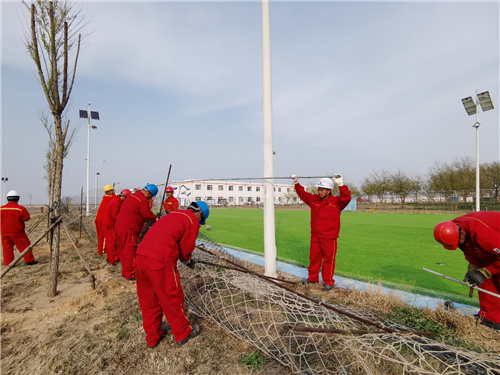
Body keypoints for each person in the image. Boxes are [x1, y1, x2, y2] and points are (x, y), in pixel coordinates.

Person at [135, 200, 210, 347]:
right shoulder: (191, 220)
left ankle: (152, 336)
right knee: (171, 298)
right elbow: (186, 248)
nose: (199, 221)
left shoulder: (174, 214)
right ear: (200, 214)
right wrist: (187, 260)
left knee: (148, 301)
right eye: (201, 219)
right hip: (160, 262)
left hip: (140, 259)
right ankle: (183, 333)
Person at [434, 211, 500, 330]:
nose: (459, 245)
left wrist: (485, 272)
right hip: (492, 247)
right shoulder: (453, 228)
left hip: (496, 242)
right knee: (482, 279)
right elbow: (470, 249)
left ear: (462, 234)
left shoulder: (482, 233)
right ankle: (491, 319)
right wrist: (473, 269)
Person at [292, 174, 351, 291]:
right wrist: (296, 183)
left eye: (322, 189)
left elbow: (346, 198)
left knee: (328, 260)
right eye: (318, 189)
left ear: (329, 191)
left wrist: (340, 185)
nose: (319, 191)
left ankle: (328, 282)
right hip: (315, 236)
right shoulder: (314, 200)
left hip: (329, 238)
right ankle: (313, 279)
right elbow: (303, 194)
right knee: (313, 258)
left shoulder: (337, 202)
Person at [114, 184, 158, 280]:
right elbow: (146, 215)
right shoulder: (141, 200)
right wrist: (156, 218)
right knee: (130, 251)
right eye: (151, 196)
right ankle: (130, 273)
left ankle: (125, 271)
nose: (150, 198)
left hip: (119, 227)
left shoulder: (132, 196)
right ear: (149, 193)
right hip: (129, 229)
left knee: (122, 250)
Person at [1, 190, 38, 267]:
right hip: (17, 232)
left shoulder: (1, 209)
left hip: (4, 232)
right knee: (25, 246)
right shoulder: (20, 208)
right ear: (18, 198)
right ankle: (29, 260)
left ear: (7, 199)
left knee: (7, 248)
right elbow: (26, 218)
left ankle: (8, 264)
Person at [102, 189, 131, 265]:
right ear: (123, 197)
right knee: (112, 242)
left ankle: (110, 258)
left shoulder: (115, 200)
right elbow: (115, 216)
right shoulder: (116, 202)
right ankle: (113, 259)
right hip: (110, 224)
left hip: (108, 224)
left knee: (110, 242)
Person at [95, 185, 115, 256]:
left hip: (98, 219)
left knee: (100, 235)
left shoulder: (105, 198)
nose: (114, 192)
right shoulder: (112, 197)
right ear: (110, 191)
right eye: (113, 190)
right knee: (104, 236)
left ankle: (101, 250)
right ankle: (102, 251)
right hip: (103, 220)